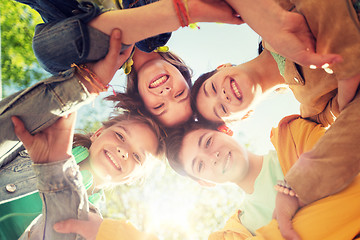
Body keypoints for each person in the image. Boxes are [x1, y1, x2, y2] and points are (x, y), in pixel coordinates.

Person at [191, 0, 360, 237]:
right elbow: (351, 117)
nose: (224, 95)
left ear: (222, 66)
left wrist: (346, 58)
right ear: (243, 118)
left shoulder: (265, 16)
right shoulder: (313, 109)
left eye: (211, 89)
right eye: (221, 109)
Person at [52, 115, 360, 239]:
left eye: (208, 142)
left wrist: (294, 186)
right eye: (200, 166)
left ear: (225, 130)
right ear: (205, 182)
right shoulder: (237, 231)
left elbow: (349, 146)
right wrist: (110, 233)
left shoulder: (293, 135)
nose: (212, 157)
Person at [15, 0, 242, 127]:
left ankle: (178, 14)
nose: (165, 92)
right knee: (150, 40)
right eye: (179, 94)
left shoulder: (95, 61)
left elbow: (47, 49)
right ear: (184, 75)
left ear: (140, 99)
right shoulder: (158, 34)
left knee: (54, 62)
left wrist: (96, 77)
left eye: (159, 106)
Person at [1, 106, 164, 240]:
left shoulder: (90, 227)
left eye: (137, 156)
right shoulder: (43, 142)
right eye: (120, 135)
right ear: (98, 133)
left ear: (133, 178)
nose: (123, 151)